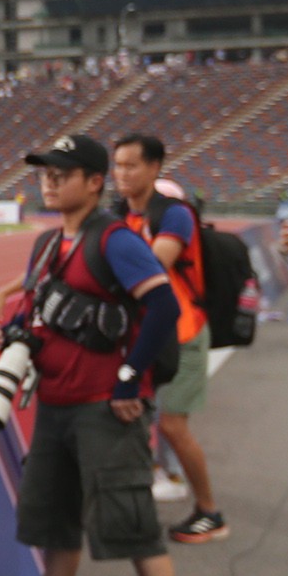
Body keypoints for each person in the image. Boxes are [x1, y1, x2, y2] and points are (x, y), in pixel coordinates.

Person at [0, 135, 198, 576]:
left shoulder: (115, 240)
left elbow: (162, 307)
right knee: (56, 513)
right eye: (45, 174)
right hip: (57, 402)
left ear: (94, 182)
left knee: (131, 519)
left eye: (62, 174)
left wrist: (129, 378)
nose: (50, 182)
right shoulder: (47, 244)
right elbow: (36, 311)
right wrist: (8, 334)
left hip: (105, 406)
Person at [111, 135, 227, 544]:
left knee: (174, 426)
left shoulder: (174, 215)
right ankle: (135, 502)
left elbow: (152, 265)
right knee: (131, 422)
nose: (122, 174)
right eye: (117, 165)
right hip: (142, 339)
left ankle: (209, 511)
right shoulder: (119, 215)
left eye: (131, 165)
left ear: (154, 167)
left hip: (183, 334)